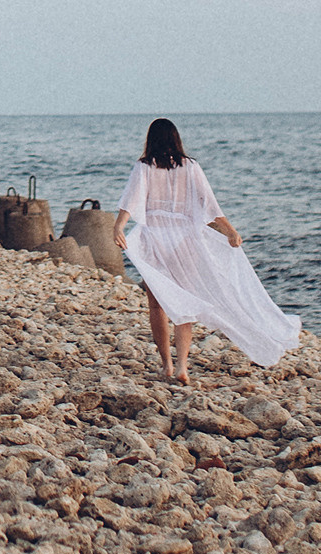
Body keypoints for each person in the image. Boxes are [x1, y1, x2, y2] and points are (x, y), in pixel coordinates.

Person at [113, 118, 299, 383]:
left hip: (155, 239)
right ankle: (182, 368)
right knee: (184, 303)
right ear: (176, 138)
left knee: (158, 304)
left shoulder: (144, 166)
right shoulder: (190, 166)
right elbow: (209, 205)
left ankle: (166, 365)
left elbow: (130, 202)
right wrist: (230, 231)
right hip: (185, 241)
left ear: (150, 139)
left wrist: (118, 227)